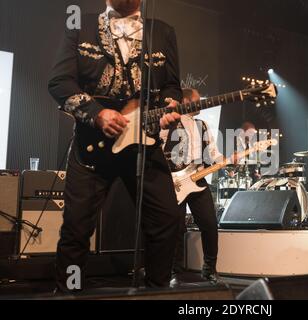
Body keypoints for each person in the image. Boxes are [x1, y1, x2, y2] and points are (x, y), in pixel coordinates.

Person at [48, 0, 183, 291]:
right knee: (76, 227)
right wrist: (97, 114)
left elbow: (172, 86)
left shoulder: (163, 31)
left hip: (143, 145)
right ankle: (68, 291)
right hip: (92, 148)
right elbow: (59, 82)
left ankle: (158, 290)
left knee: (168, 218)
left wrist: (170, 107)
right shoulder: (79, 25)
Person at [160, 88, 223, 286]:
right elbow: (157, 151)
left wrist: (227, 160)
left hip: (198, 181)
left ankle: (209, 268)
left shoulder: (201, 125)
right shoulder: (168, 121)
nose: (201, 104)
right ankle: (173, 270)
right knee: (175, 227)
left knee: (210, 224)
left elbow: (213, 153)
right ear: (186, 100)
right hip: (175, 182)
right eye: (197, 100)